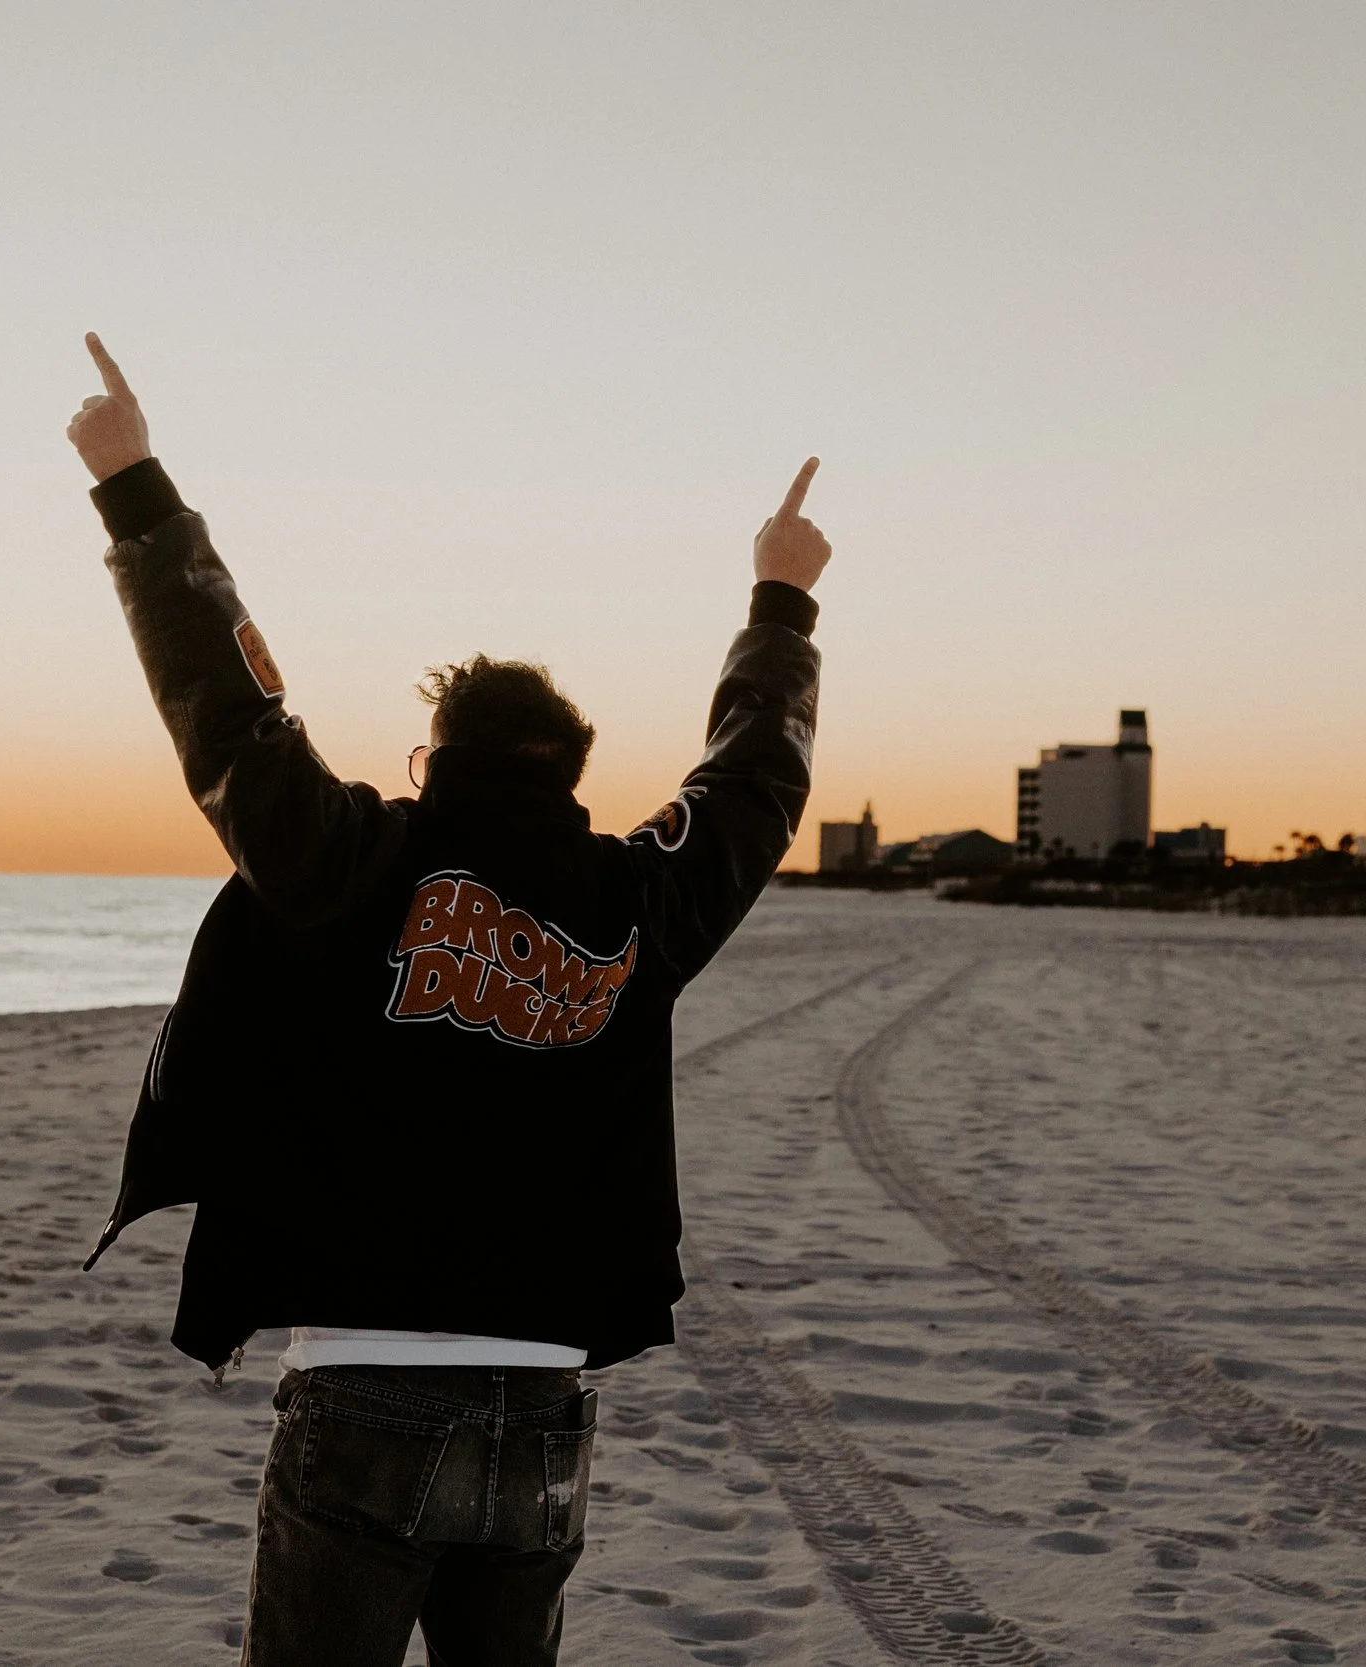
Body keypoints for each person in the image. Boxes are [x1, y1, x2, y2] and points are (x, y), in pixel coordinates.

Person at [64, 333, 828, 1666]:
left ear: (434, 759)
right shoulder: (630, 901)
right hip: (543, 1408)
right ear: (570, 771)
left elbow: (230, 718)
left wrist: (135, 488)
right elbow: (752, 788)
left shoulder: (358, 859)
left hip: (364, 1392)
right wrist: (779, 602)